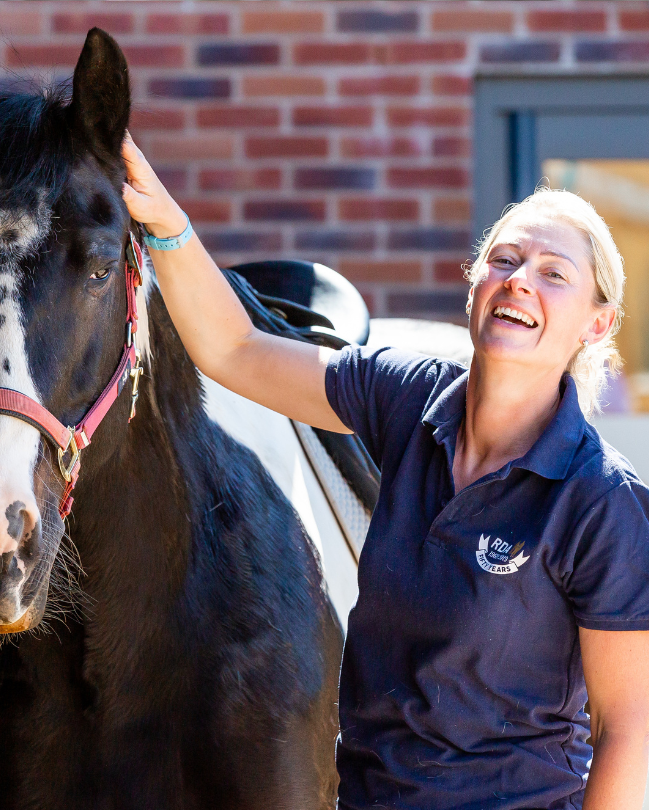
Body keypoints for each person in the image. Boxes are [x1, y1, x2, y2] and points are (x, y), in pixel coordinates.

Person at [121, 132, 649, 810]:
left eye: (555, 273)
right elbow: (236, 349)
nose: (519, 278)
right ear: (475, 285)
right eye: (505, 259)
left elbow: (627, 728)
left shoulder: (602, 502)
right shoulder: (409, 397)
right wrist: (168, 222)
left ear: (597, 325)